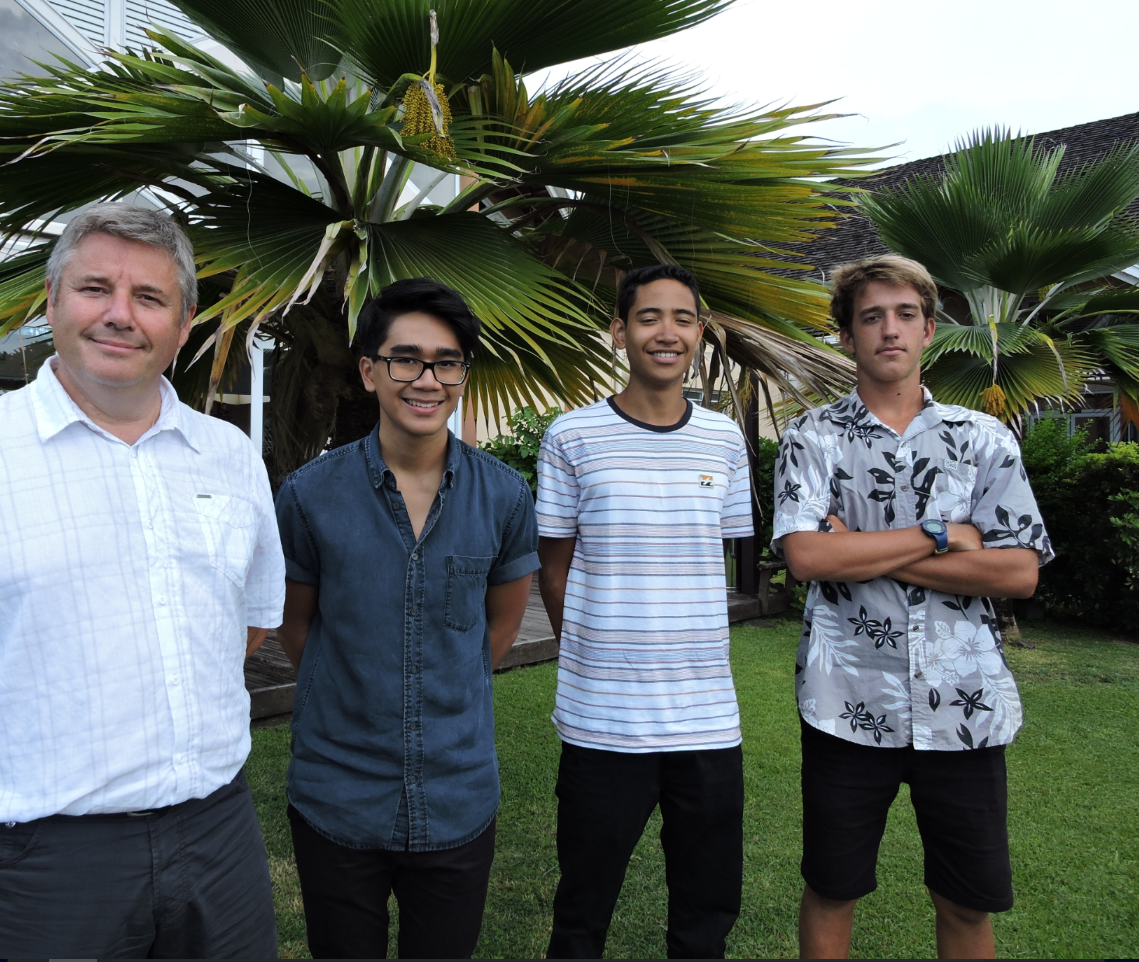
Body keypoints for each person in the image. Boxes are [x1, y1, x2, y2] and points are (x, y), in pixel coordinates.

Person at [0, 203, 284, 959]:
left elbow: (244, 622)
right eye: (95, 288)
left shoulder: (229, 456)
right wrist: (3, 751)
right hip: (41, 861)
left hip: (218, 840)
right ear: (50, 301)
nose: (120, 315)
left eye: (149, 298)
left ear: (184, 322)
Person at [773, 254, 1051, 959]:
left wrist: (863, 548)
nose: (888, 330)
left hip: (965, 707)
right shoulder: (812, 438)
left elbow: (1018, 571)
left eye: (904, 316)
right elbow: (806, 557)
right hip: (846, 703)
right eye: (871, 317)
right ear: (846, 336)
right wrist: (943, 539)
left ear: (930, 330)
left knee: (966, 901)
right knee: (833, 889)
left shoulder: (984, 439)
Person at [274, 278, 539, 959]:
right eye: (406, 358)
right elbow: (296, 625)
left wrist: (448, 687)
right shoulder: (309, 496)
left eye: (446, 362)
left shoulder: (504, 495)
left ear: (462, 375)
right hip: (338, 796)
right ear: (369, 371)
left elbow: (501, 626)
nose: (426, 379)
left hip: (458, 794)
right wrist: (349, 692)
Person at [535, 263, 753, 959]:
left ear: (700, 333)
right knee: (582, 911)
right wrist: (596, 654)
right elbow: (553, 566)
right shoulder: (571, 436)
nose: (667, 332)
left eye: (683, 318)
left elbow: (715, 554)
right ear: (620, 331)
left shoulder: (724, 439)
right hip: (603, 720)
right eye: (649, 317)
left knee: (706, 913)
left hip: (707, 720)